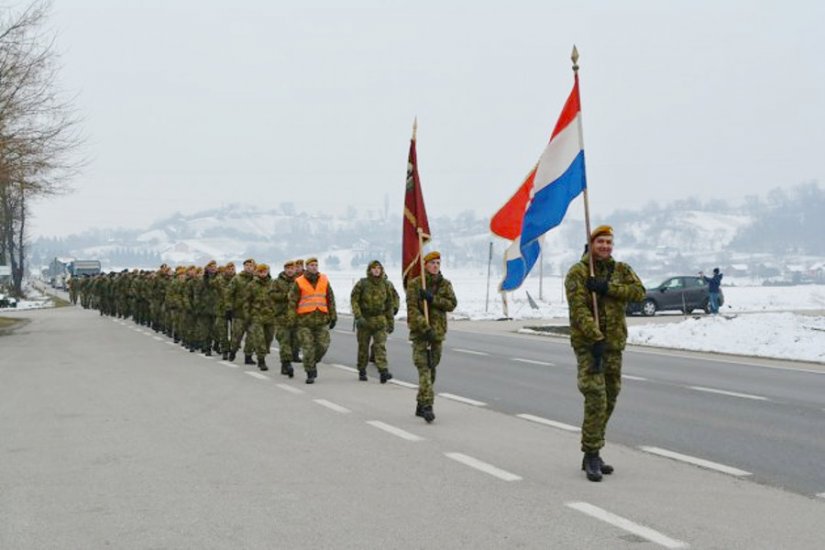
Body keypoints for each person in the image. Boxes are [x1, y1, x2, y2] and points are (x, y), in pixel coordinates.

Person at [565, 225, 645, 482]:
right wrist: (595, 336)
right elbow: (578, 310)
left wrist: (608, 287)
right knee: (596, 397)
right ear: (591, 243)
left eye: (609, 242)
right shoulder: (578, 273)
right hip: (590, 346)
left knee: (610, 397)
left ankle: (594, 448)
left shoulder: (620, 270)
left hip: (614, 345)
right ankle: (591, 454)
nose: (605, 247)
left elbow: (639, 293)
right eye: (600, 242)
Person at [405, 251, 457, 423]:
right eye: (432, 263)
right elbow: (412, 310)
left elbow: (451, 304)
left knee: (432, 370)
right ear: (425, 265)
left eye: (438, 263)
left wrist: (433, 299)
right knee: (424, 369)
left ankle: (420, 403)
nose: (435, 266)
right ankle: (428, 406)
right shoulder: (415, 285)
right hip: (421, 334)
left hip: (437, 335)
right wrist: (424, 328)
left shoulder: (445, 284)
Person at [288, 257, 336, 384]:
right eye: (311, 265)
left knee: (323, 345)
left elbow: (330, 299)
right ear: (307, 267)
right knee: (307, 347)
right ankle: (310, 372)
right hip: (304, 321)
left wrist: (333, 315)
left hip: (321, 320)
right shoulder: (299, 281)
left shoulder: (324, 280)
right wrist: (292, 319)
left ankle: (312, 362)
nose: (314, 267)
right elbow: (292, 302)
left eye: (316, 265)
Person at [351, 260, 396, 383]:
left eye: (379, 268)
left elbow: (389, 304)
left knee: (380, 346)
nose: (376, 270)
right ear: (369, 270)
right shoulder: (362, 284)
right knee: (363, 347)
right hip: (365, 320)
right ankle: (362, 370)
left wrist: (391, 322)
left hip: (380, 320)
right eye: (374, 268)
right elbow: (354, 300)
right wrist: (358, 316)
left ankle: (383, 371)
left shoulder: (385, 284)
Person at [246, 263, 276, 371]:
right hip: (256, 315)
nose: (263, 274)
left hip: (270, 315)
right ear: (257, 272)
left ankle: (264, 352)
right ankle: (261, 360)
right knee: (259, 339)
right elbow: (247, 301)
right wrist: (247, 316)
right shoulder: (252, 285)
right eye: (261, 271)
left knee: (269, 337)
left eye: (265, 271)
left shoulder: (273, 284)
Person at [228, 258, 257, 363]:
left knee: (252, 336)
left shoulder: (256, 280)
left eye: (251, 266)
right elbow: (229, 293)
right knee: (237, 336)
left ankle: (248, 356)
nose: (249, 268)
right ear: (244, 267)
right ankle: (232, 352)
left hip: (253, 312)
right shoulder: (237, 279)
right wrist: (229, 307)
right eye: (247, 266)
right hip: (239, 312)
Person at [273, 260, 297, 378]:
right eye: (288, 268)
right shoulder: (277, 282)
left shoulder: (299, 282)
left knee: (294, 342)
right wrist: (285, 296)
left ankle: (284, 362)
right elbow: (271, 295)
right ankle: (287, 364)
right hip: (281, 315)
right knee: (284, 340)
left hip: (296, 316)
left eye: (292, 268)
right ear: (284, 269)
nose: (290, 270)